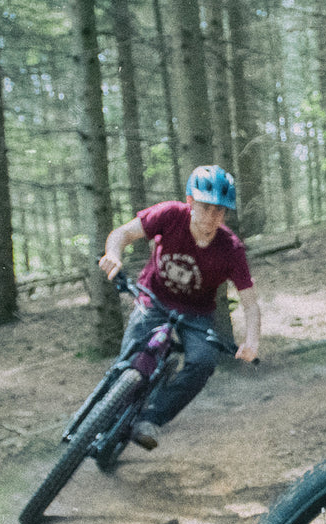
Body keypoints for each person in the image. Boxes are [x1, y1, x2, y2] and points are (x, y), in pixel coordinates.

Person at [98, 165, 261, 449]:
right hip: (154, 297)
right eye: (205, 207)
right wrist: (113, 253)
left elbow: (250, 302)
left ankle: (152, 417)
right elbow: (122, 234)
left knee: (203, 361)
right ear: (190, 201)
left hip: (196, 314)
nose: (212, 217)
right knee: (133, 354)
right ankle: (108, 405)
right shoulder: (170, 215)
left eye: (220, 211)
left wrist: (252, 340)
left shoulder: (230, 248)